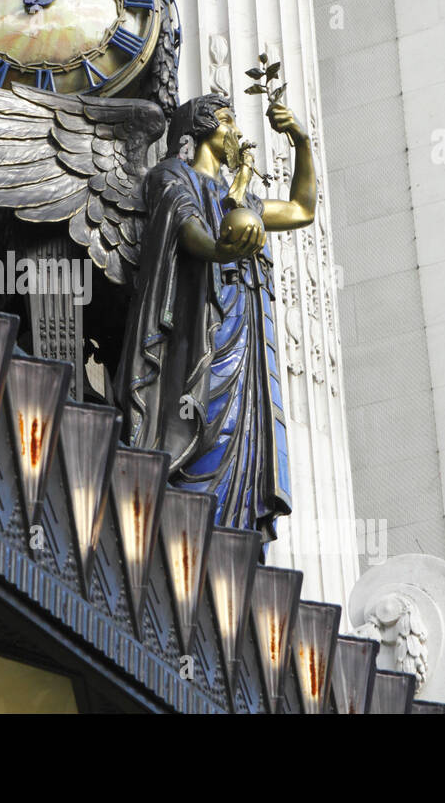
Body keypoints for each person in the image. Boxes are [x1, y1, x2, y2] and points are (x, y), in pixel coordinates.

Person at [115, 94, 316, 543]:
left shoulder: (240, 200)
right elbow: (189, 234)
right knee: (200, 424)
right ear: (202, 129)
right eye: (229, 123)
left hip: (245, 329)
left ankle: (232, 545)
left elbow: (303, 210)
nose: (238, 135)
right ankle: (184, 533)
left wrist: (301, 142)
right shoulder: (172, 176)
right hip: (198, 328)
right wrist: (224, 249)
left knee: (241, 428)